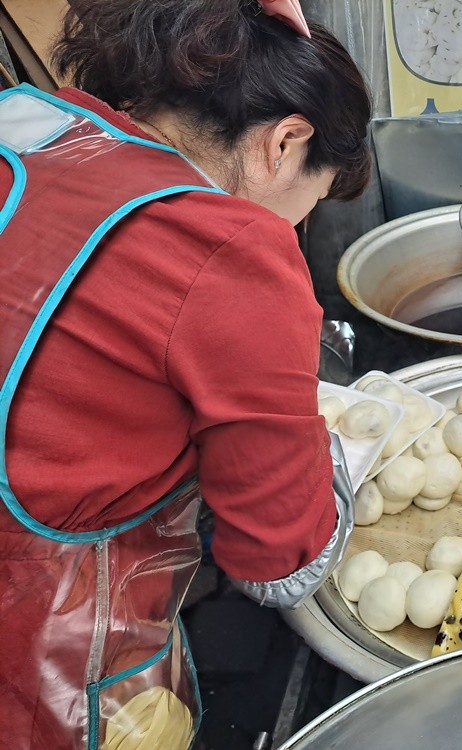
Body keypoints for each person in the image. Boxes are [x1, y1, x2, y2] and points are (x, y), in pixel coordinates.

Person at [0, 0, 371, 748]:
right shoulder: (226, 251)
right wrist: (335, 462)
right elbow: (277, 564)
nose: (296, 229)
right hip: (39, 649)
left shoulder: (30, 124)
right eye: (309, 203)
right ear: (284, 143)